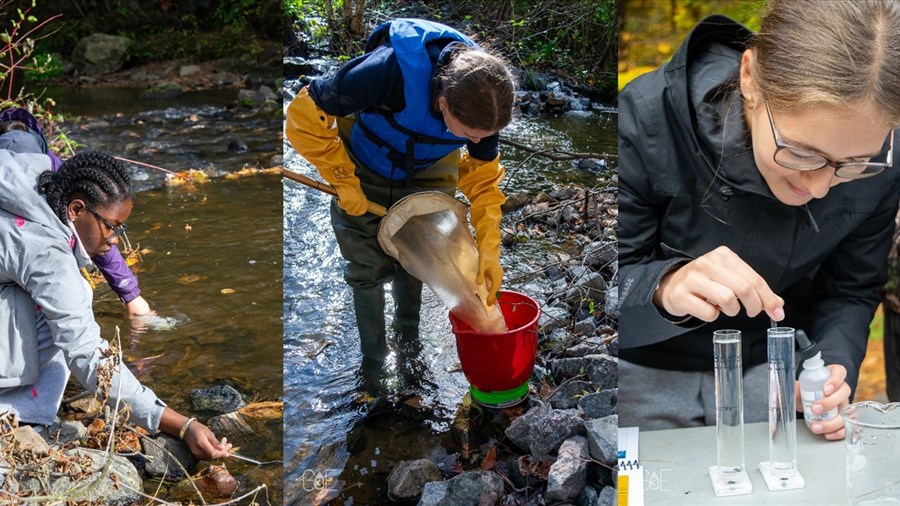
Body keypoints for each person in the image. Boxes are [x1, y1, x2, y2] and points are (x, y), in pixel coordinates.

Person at [618, 0, 900, 441]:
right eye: (802, 153)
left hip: (776, 374)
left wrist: (832, 363)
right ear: (750, 76)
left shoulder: (884, 160)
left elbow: (851, 288)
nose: (821, 187)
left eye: (852, 164)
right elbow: (604, 286)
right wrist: (663, 287)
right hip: (642, 372)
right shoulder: (641, 120)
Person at [285, 19, 515, 374]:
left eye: (482, 137)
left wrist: (489, 249)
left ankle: (409, 344)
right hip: (362, 161)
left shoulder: (488, 104)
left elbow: (484, 183)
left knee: (425, 255)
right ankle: (373, 363)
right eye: (469, 134)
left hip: (430, 168)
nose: (476, 142)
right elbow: (303, 114)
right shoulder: (386, 71)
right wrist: (344, 180)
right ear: (442, 103)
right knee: (366, 267)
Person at [0, 149, 231, 459]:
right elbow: (87, 353)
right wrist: (181, 424)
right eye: (112, 227)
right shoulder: (45, 252)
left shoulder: (30, 174)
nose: (115, 240)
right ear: (76, 209)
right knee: (75, 293)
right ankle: (20, 413)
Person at [0, 107, 154, 319]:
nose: (114, 239)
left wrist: (130, 293)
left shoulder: (54, 176)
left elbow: (96, 226)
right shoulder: (28, 179)